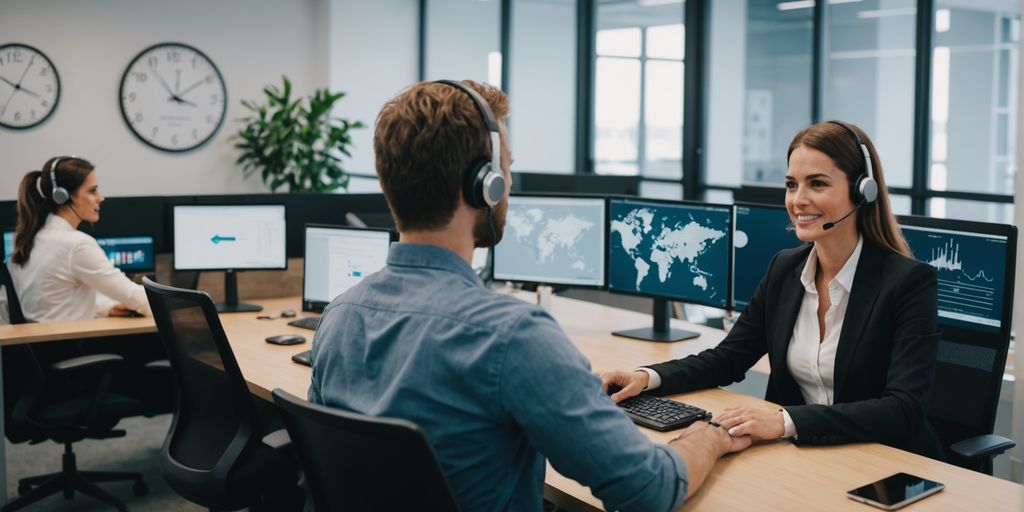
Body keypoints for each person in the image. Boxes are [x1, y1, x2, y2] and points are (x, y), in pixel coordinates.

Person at [308, 80, 750, 512]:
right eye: (507, 167)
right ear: (485, 185)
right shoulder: (512, 336)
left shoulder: (340, 315)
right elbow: (648, 489)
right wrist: (707, 437)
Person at [602, 120, 944, 459]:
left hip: (883, 462)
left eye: (818, 184)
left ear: (862, 191)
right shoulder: (786, 268)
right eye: (792, 185)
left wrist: (784, 421)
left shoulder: (907, 283)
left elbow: (903, 408)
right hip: (803, 457)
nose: (799, 200)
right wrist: (646, 378)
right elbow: (728, 359)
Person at [9, 156, 150, 321]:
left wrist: (106, 308)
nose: (100, 198)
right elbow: (135, 297)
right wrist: (178, 304)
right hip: (70, 344)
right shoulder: (76, 245)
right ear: (63, 196)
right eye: (92, 190)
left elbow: (55, 299)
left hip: (45, 343)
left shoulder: (32, 237)